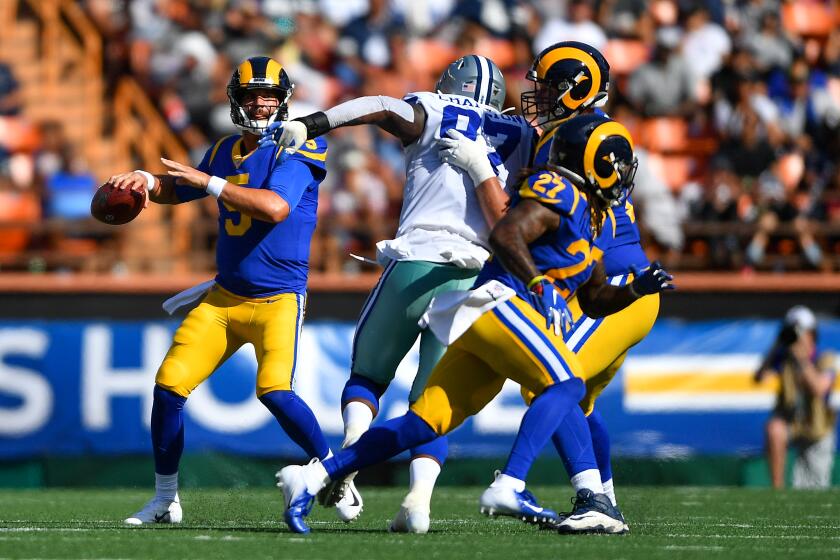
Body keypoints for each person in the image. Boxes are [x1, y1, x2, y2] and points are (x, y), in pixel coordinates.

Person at [275, 113, 674, 535]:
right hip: (498, 303)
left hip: (497, 323)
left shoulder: (600, 219)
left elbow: (594, 300)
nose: (626, 176)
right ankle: (511, 483)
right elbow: (506, 234)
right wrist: (538, 283)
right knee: (567, 384)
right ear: (599, 162)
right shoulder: (560, 191)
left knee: (422, 424)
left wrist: (636, 289)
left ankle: (314, 477)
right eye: (622, 165)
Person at [263, 54, 534, 532]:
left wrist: (312, 123)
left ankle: (346, 466)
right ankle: (418, 502)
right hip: (475, 275)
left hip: (418, 258)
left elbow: (380, 104)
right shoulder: (524, 134)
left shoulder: (432, 106)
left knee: (367, 376)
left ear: (450, 81)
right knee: (432, 401)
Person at [109, 56, 332, 525]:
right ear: (236, 101)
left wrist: (209, 182)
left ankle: (337, 472)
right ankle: (165, 499)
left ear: (285, 101)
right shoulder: (225, 149)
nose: (262, 104)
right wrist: (146, 181)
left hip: (277, 299)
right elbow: (181, 189)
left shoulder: (300, 146)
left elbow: (273, 208)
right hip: (225, 297)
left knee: (274, 391)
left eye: (270, 96)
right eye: (253, 96)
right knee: (169, 387)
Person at [520, 41, 663, 532]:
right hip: (617, 288)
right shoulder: (591, 130)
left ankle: (595, 502)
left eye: (545, 85)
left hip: (617, 288)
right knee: (577, 399)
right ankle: (603, 502)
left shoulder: (571, 136)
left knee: (549, 380)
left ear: (572, 86)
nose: (537, 93)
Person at [755, 305, 836, 489]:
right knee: (774, 427)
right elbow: (759, 376)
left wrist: (802, 360)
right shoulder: (784, 358)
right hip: (792, 422)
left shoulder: (825, 358)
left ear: (812, 334)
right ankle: (777, 489)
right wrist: (777, 345)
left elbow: (819, 389)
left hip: (817, 429)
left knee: (814, 488)